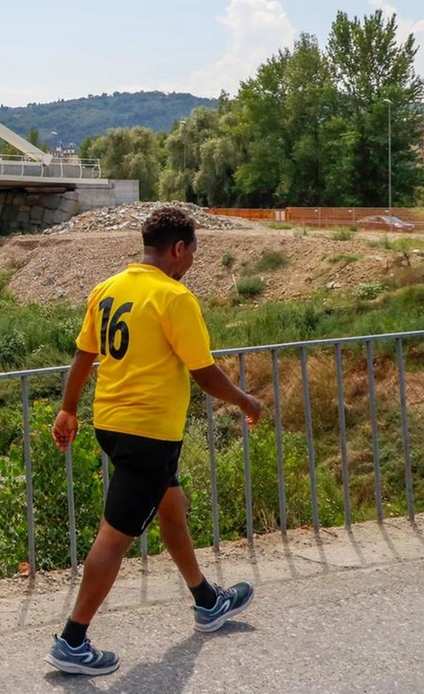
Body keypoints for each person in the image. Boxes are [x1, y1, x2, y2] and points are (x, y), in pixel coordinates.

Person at [45, 206, 265, 676]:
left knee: (172, 505)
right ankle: (72, 640)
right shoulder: (173, 296)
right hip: (149, 433)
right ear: (178, 248)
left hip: (112, 424)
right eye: (190, 255)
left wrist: (68, 409)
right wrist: (247, 402)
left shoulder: (107, 289)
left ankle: (207, 601)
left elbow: (84, 357)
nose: (190, 265)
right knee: (114, 536)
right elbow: (204, 373)